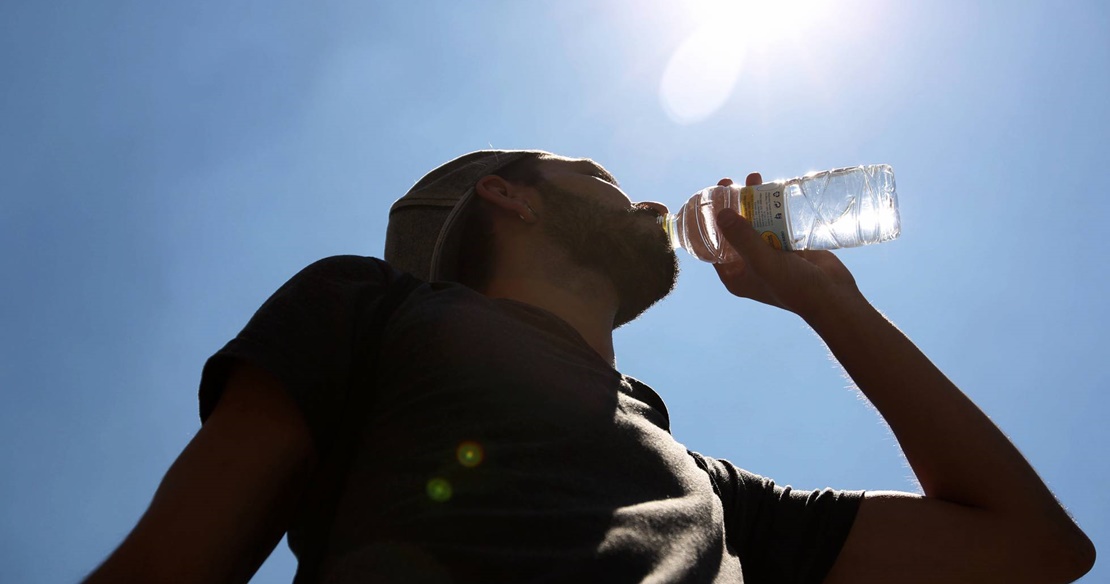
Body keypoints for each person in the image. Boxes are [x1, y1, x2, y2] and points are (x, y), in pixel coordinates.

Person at [85, 150, 1095, 583]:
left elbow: (1033, 547)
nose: (641, 198)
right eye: (599, 177)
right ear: (509, 195)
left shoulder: (708, 486)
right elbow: (174, 560)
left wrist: (828, 301)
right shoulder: (371, 304)